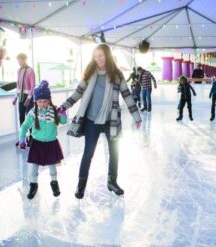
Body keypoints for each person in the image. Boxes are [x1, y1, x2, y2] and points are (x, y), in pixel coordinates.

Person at [59, 44, 142, 199]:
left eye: (101, 56)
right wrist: (64, 106)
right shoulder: (90, 73)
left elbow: (127, 95)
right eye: (96, 56)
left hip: (111, 120)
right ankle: (81, 184)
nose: (98, 59)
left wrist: (136, 116)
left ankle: (112, 181)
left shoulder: (116, 75)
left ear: (107, 56)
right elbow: (78, 93)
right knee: (88, 153)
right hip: (91, 120)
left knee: (114, 152)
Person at [19, 81, 67, 199]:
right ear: (35, 101)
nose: (42, 104)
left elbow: (63, 122)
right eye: (40, 101)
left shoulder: (55, 110)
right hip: (37, 143)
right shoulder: (33, 112)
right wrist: (22, 139)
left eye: (45, 101)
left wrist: (63, 114)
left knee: (52, 166)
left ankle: (54, 183)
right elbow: (25, 126)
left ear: (49, 100)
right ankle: (33, 185)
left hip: (51, 143)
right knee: (34, 167)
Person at [12, 53, 36, 147]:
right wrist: (15, 97)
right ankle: (22, 139)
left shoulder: (31, 71)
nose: (19, 62)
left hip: (28, 98)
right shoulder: (19, 70)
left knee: (29, 118)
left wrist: (29, 98)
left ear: (25, 59)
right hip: (20, 97)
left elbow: (33, 86)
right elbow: (18, 85)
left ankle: (32, 138)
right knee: (21, 118)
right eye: (18, 60)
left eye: (20, 60)